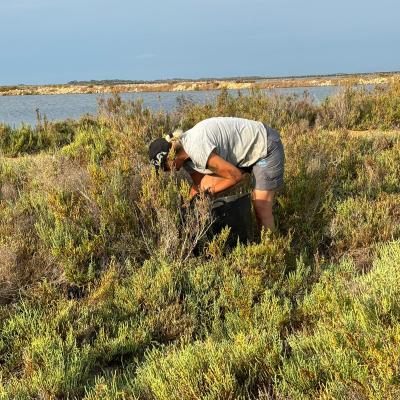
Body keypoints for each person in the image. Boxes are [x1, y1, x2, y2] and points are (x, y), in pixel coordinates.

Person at [148, 117, 285, 231]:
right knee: (202, 191)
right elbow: (199, 185)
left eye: (163, 167)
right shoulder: (184, 157)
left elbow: (237, 177)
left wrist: (209, 194)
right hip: (242, 153)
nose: (165, 171)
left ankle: (271, 250)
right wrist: (187, 208)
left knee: (261, 207)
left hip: (264, 146)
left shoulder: (196, 150)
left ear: (170, 156)